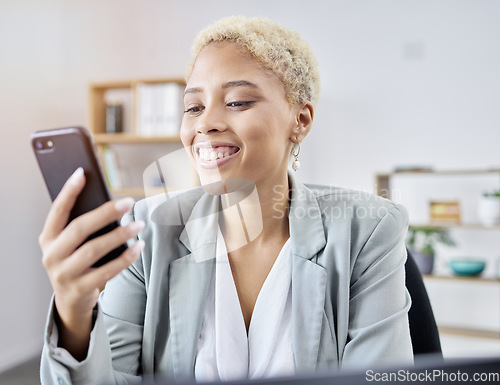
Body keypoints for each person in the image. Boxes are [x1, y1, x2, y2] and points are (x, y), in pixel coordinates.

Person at [39, 16, 413, 385]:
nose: (205, 123)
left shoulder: (369, 229)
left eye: (237, 102)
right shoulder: (149, 230)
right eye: (193, 107)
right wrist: (73, 312)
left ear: (300, 119)